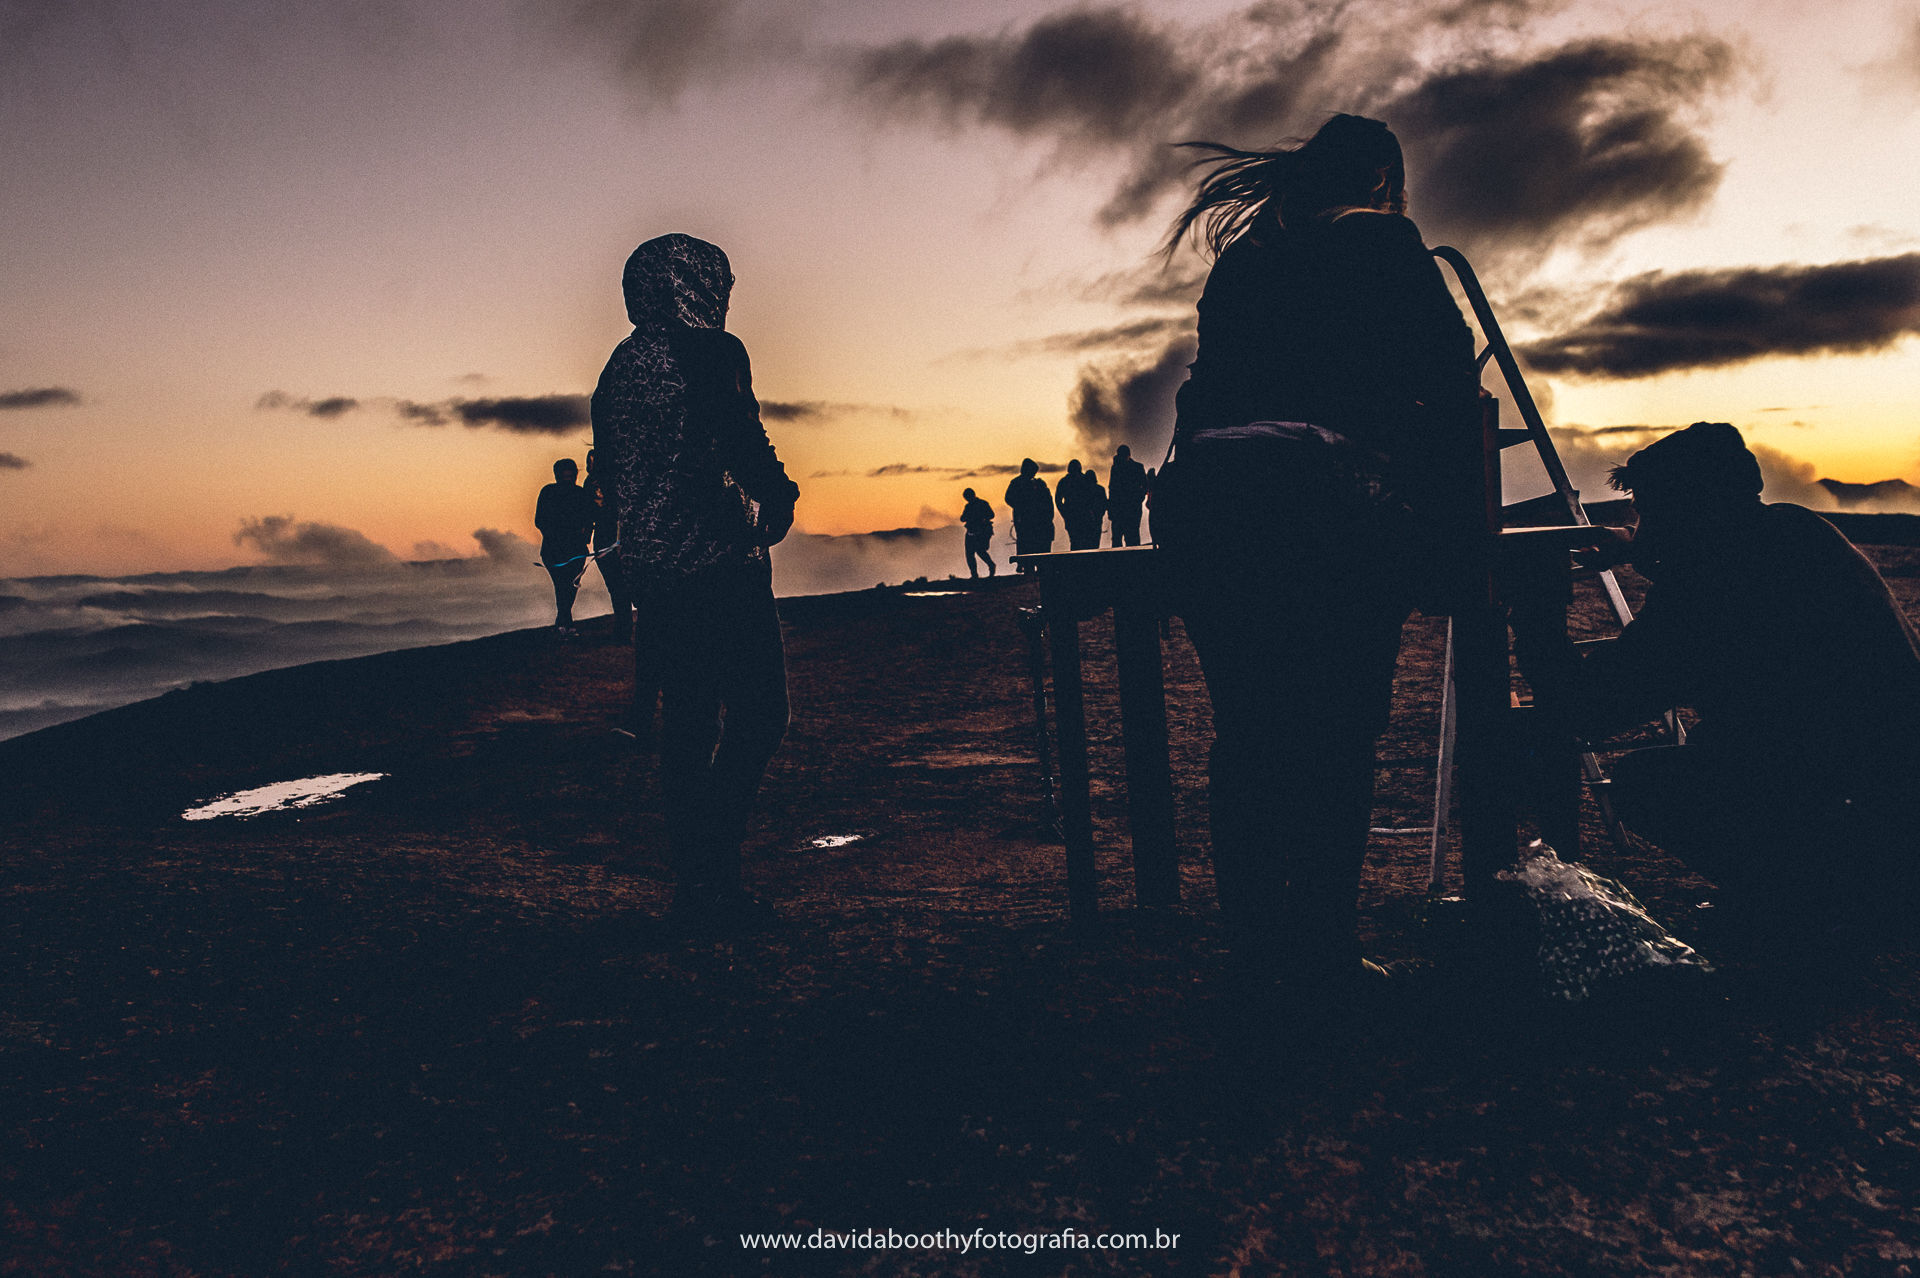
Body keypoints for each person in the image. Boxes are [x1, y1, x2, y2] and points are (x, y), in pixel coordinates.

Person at [1157, 114, 1482, 991]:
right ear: (1382, 179)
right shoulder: (1386, 241)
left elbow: (1205, 392)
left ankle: (1259, 953)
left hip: (1211, 509)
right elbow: (1452, 382)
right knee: (1339, 734)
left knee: (1250, 735)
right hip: (1320, 506)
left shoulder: (1248, 260)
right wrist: (1449, 532)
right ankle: (1324, 954)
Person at [1510, 422, 1920, 922]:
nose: (1645, 523)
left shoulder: (1708, 589)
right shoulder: (1795, 527)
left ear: (1689, 510)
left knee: (1648, 783)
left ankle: (1812, 899)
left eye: (1651, 510)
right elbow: (1736, 582)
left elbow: (1584, 708)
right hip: (1889, 784)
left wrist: (1535, 612)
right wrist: (1640, 550)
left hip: (1858, 805)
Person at [591, 233, 800, 929]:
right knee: (762, 713)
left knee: (684, 727)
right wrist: (779, 496)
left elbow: (612, 477)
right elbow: (740, 438)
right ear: (693, 283)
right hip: (719, 563)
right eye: (721, 280)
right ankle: (717, 867)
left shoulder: (616, 370)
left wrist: (625, 559)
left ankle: (695, 887)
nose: (728, 292)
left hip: (655, 572)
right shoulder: (712, 351)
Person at [533, 458, 598, 636]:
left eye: (571, 475)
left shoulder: (578, 493)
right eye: (566, 475)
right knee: (564, 586)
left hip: (572, 550)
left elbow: (589, 518)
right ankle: (565, 623)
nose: (569, 478)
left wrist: (584, 533)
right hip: (556, 549)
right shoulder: (549, 492)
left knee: (568, 587)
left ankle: (563, 623)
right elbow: (540, 521)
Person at [584, 448, 634, 642]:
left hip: (616, 537)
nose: (592, 466)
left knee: (620, 586)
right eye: (590, 463)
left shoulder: (611, 482)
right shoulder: (593, 484)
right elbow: (589, 512)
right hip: (605, 538)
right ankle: (623, 628)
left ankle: (624, 629)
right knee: (616, 586)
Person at [1004, 458, 1055, 570]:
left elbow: (1048, 503)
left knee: (1033, 545)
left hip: (1036, 522)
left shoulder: (1037, 484)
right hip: (1024, 520)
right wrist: (1021, 507)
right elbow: (1008, 498)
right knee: (1026, 544)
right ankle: (1026, 566)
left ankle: (1030, 566)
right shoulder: (1017, 483)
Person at [1055, 459, 1108, 550]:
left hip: (1082, 518)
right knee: (1080, 544)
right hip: (1079, 517)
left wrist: (1065, 514)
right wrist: (1065, 514)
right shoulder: (1076, 480)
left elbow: (1058, 501)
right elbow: (1058, 500)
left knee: (1079, 544)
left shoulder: (1066, 481)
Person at [1108, 444, 1149, 546]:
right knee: (1123, 539)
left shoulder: (1118, 468)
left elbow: (1145, 486)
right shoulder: (1118, 468)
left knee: (1129, 538)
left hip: (1129, 509)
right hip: (1124, 509)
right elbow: (1112, 489)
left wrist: (1138, 498)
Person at [959, 487, 997, 579]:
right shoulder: (968, 507)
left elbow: (991, 515)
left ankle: (991, 565)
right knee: (970, 554)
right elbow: (962, 518)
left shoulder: (983, 504)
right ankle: (974, 574)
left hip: (982, 531)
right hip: (971, 532)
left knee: (980, 551)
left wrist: (982, 518)